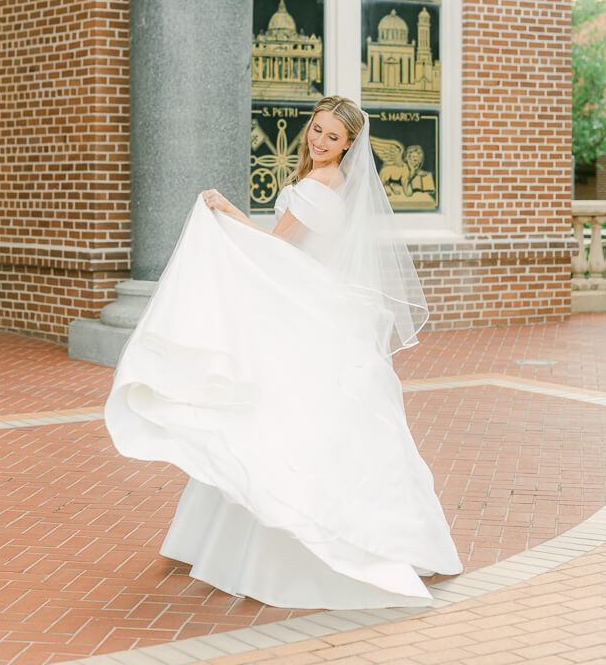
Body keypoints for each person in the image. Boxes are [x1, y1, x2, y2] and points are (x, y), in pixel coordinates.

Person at [105, 96, 462, 610]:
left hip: (307, 312)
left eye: (332, 137)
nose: (319, 141)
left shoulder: (317, 187)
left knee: (273, 425)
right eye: (316, 130)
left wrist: (227, 213)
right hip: (323, 309)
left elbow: (278, 249)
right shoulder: (335, 185)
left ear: (348, 145)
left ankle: (284, 552)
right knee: (313, 425)